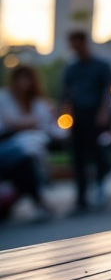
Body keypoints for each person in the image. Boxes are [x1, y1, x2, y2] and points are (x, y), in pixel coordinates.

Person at [60, 31, 111, 210]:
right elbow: (66, 96)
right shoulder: (71, 68)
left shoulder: (100, 66)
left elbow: (108, 92)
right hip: (78, 116)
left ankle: (100, 187)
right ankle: (81, 196)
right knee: (78, 156)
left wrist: (103, 113)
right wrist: (66, 118)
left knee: (98, 153)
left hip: (95, 116)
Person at [0, 66, 61, 218]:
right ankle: (39, 198)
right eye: (20, 79)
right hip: (6, 144)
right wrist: (29, 123)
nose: (23, 83)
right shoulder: (4, 97)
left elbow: (46, 125)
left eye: (26, 79)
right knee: (28, 152)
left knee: (28, 156)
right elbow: (8, 122)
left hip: (26, 151)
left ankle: (37, 198)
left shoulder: (38, 102)